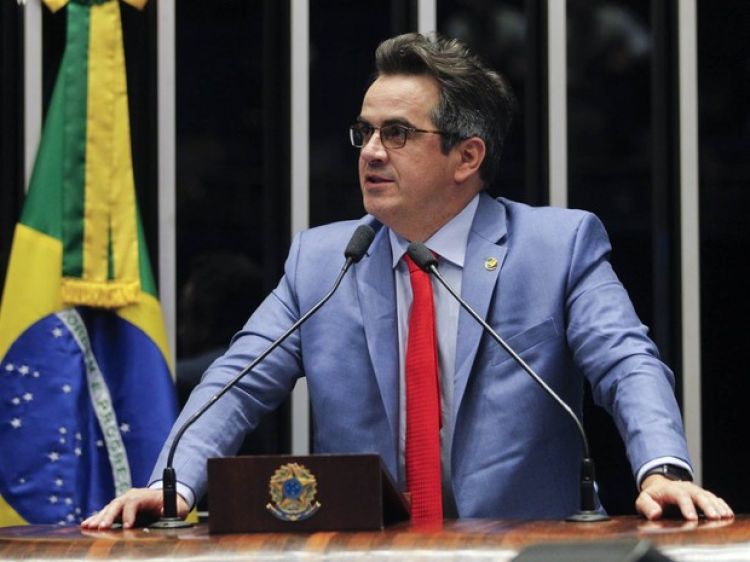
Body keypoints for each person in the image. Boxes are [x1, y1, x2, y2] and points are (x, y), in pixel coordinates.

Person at [82, 32, 732, 529]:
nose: (370, 152)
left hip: (520, 548)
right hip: (372, 550)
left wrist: (662, 469)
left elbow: (626, 362)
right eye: (364, 132)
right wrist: (173, 487)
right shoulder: (324, 260)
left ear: (466, 156)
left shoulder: (555, 247)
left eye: (397, 134)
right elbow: (237, 382)